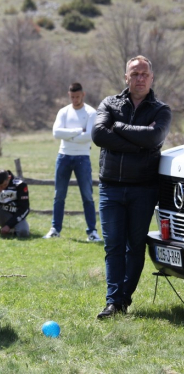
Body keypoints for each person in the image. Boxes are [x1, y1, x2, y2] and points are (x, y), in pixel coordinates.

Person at [92, 55, 172, 318]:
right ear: (125, 77)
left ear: (151, 77)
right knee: (113, 245)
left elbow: (155, 137)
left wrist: (119, 128)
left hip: (144, 188)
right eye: (134, 74)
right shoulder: (109, 103)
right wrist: (140, 142)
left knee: (134, 246)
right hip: (110, 188)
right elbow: (98, 135)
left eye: (144, 74)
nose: (140, 78)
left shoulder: (161, 110)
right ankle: (112, 301)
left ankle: (123, 300)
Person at [43, 82, 101, 242]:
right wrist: (77, 131)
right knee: (59, 195)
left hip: (82, 157)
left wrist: (68, 134)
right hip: (63, 156)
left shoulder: (91, 112)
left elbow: (89, 135)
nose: (75, 100)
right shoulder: (63, 111)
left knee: (87, 195)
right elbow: (56, 133)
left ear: (83, 94)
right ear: (69, 96)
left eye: (78, 96)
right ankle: (55, 229)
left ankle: (92, 232)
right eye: (72, 97)